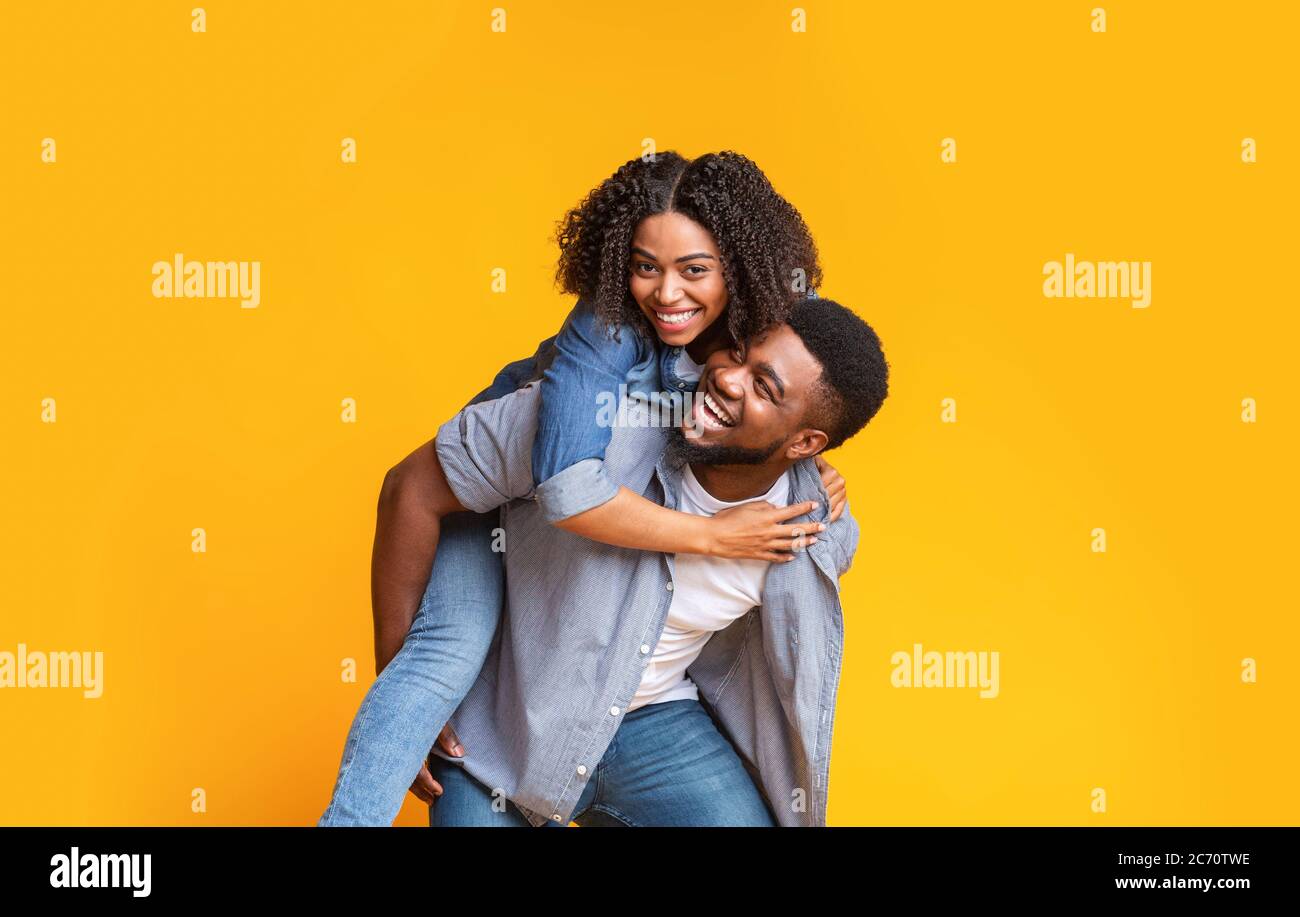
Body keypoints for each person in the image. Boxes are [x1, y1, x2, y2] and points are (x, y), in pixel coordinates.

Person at [320, 150, 848, 826]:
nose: (664, 293)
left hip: (629, 699)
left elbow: (814, 397)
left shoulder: (763, 333)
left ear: (741, 271)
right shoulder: (607, 327)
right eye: (644, 266)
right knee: (445, 655)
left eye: (694, 270)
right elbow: (564, 487)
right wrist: (406, 695)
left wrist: (809, 466)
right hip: (483, 502)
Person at [419, 297, 889, 826]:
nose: (730, 380)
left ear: (806, 442)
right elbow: (411, 488)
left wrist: (809, 474)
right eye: (737, 353)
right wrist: (415, 704)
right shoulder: (589, 430)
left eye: (764, 387)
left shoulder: (812, 533)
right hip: (504, 726)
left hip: (656, 725)